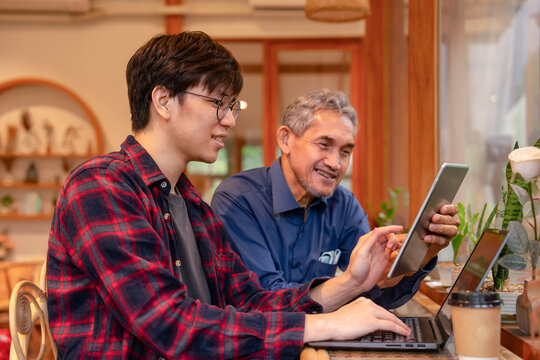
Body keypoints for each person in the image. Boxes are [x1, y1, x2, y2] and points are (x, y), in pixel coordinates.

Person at [46, 31, 412, 359]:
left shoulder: (193, 208)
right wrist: (325, 325)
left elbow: (250, 301)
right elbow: (168, 324)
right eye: (219, 103)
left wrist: (353, 283)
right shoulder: (100, 186)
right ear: (163, 101)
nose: (231, 121)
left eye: (232, 106)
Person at [211, 89, 459, 308]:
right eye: (324, 145)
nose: (335, 163)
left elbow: (373, 295)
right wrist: (351, 282)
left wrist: (422, 253)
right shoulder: (238, 200)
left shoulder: (344, 205)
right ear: (286, 140)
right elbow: (262, 300)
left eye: (345, 152)